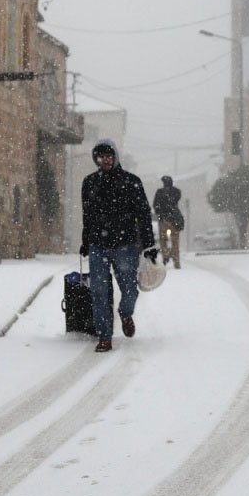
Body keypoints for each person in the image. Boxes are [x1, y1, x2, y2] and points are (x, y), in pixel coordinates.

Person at [80, 139, 157, 352]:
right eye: (101, 156)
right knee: (99, 291)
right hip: (98, 245)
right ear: (96, 159)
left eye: (108, 155)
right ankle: (104, 336)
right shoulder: (89, 183)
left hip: (125, 245)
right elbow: (87, 215)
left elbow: (143, 215)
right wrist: (86, 240)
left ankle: (125, 313)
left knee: (130, 289)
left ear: (115, 156)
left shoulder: (131, 182)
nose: (105, 160)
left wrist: (149, 245)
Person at [152, 175, 184, 268]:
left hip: (163, 220)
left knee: (163, 240)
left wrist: (159, 213)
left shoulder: (159, 192)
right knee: (175, 241)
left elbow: (155, 205)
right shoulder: (177, 191)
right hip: (175, 221)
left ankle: (165, 254)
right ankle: (176, 261)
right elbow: (176, 200)